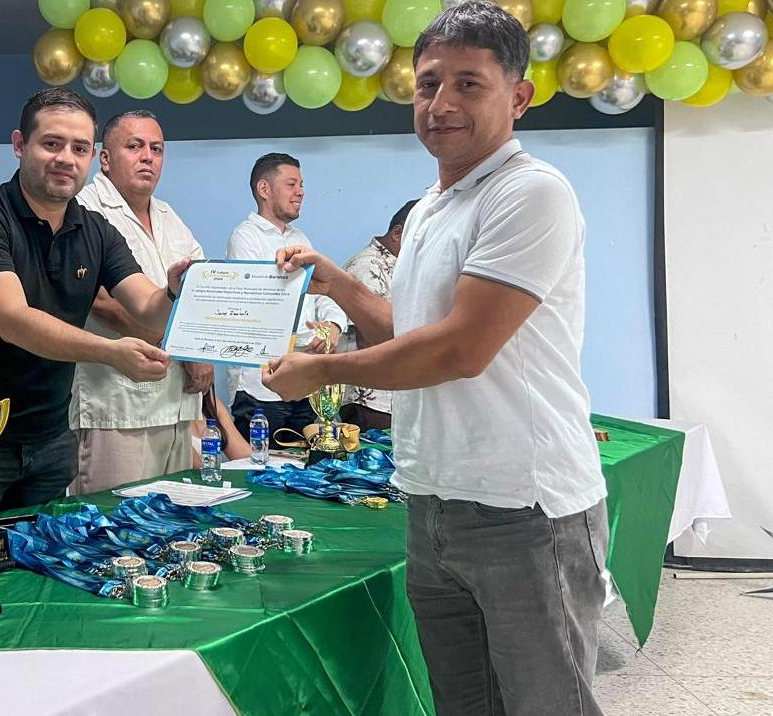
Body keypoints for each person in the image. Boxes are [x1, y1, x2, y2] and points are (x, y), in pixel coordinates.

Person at [262, 4, 609, 713]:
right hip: (433, 500)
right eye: (427, 85)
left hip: (522, 505)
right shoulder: (428, 208)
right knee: (464, 704)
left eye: (468, 84)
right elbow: (411, 329)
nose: (441, 104)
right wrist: (338, 282)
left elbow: (460, 349)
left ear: (518, 96)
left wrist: (321, 370)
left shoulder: (530, 192)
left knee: (546, 703)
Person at [0, 87, 189, 514]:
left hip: (50, 437)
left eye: (79, 147)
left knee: (41, 572)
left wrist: (175, 289)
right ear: (19, 145)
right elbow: (14, 320)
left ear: (91, 156)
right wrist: (111, 353)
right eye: (52, 143)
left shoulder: (96, 231)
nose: (66, 158)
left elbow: (147, 306)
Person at [71, 109, 210, 492]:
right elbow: (99, 301)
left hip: (178, 403)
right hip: (116, 406)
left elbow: (200, 295)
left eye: (157, 148)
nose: (148, 156)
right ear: (105, 158)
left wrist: (201, 353)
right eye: (134, 146)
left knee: (173, 527)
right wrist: (179, 348)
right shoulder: (83, 209)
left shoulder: (169, 216)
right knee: (116, 533)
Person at [225, 152, 347, 445]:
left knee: (306, 470)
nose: (301, 192)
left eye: (301, 184)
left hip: (303, 383)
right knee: (261, 477)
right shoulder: (245, 238)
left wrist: (333, 325)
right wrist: (312, 335)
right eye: (292, 184)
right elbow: (260, 309)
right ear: (264, 189)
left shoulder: (301, 239)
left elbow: (324, 291)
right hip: (259, 389)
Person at [337, 199, 418, 431]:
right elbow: (370, 335)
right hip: (371, 399)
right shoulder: (368, 266)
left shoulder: (400, 266)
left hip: (395, 395)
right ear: (397, 233)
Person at [189, 388, 251, 468]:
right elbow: (198, 470)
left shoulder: (210, 402)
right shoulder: (170, 412)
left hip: (212, 477)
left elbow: (244, 456)